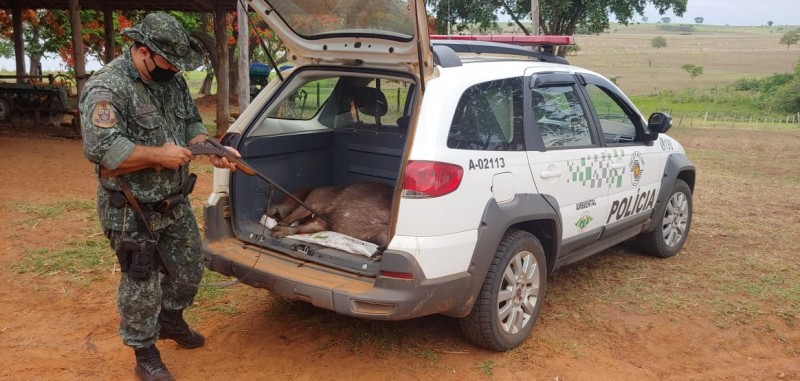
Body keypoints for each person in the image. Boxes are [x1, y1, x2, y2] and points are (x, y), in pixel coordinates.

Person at [80, 12, 238, 381]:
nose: (175, 69)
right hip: (132, 209)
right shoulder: (108, 87)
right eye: (169, 61)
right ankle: (144, 352)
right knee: (141, 281)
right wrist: (158, 155)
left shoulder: (171, 81)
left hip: (173, 200)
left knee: (189, 268)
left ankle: (171, 319)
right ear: (142, 50)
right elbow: (103, 150)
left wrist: (209, 147)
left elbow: (191, 123)